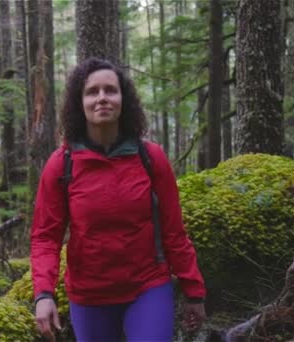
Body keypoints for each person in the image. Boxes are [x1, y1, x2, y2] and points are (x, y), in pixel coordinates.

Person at [30, 58, 207, 342]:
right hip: (88, 295)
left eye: (110, 90)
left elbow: (174, 231)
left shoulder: (150, 158)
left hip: (148, 286)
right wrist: (43, 294)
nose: (102, 98)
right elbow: (45, 237)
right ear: (80, 102)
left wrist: (193, 290)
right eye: (92, 92)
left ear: (123, 99)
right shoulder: (61, 164)